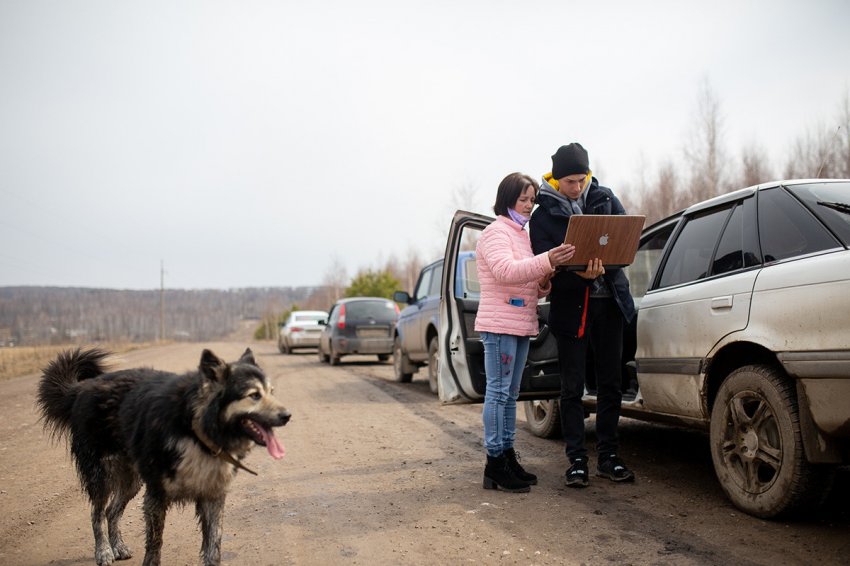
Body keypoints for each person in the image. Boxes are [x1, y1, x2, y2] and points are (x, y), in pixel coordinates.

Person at [529, 143, 637, 487]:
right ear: (556, 179)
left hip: (611, 304)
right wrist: (580, 275)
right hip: (571, 308)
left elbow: (626, 241)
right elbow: (543, 266)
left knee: (611, 383)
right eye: (570, 182)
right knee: (572, 386)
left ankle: (608, 456)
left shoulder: (605, 198)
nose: (577, 187)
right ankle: (576, 460)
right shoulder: (542, 215)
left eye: (582, 179)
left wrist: (607, 264)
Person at [475, 172, 576, 493]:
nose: (529, 205)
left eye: (532, 199)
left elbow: (527, 279)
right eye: (523, 199)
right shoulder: (496, 232)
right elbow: (505, 272)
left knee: (510, 394)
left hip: (519, 322)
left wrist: (544, 279)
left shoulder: (521, 234)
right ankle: (494, 461)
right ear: (507, 200)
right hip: (499, 324)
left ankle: (506, 455)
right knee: (498, 392)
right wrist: (546, 259)